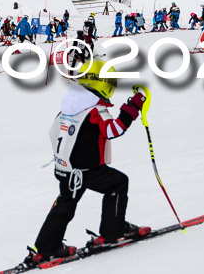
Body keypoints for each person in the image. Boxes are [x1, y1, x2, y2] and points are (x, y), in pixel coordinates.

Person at [24, 60, 148, 266]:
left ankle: (46, 248)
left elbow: (54, 131)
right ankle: (112, 232)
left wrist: (63, 160)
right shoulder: (94, 110)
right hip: (86, 171)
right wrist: (133, 106)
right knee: (118, 184)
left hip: (66, 169)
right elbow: (114, 130)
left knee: (65, 205)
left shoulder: (69, 106)